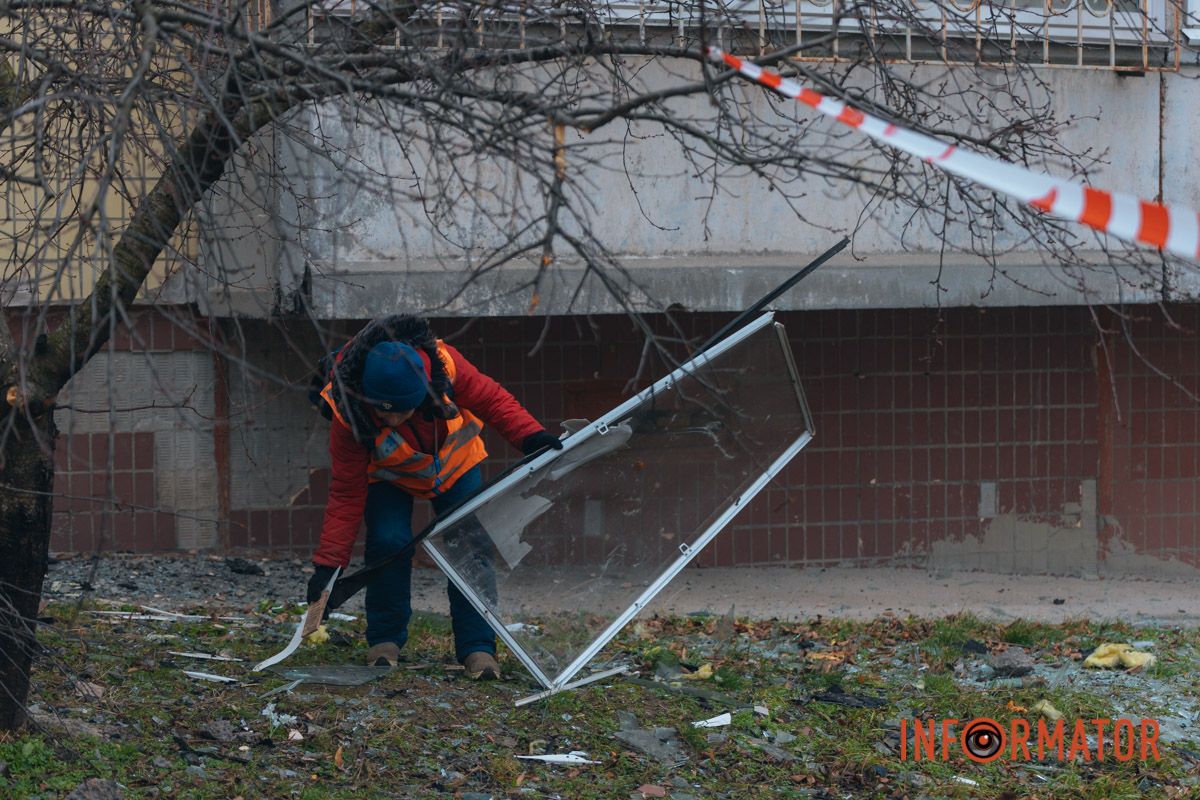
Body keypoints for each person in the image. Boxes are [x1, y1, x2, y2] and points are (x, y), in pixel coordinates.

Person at [307, 314, 562, 679]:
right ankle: (385, 641)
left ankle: (478, 648)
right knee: (387, 542)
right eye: (382, 412)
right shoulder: (347, 411)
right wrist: (328, 567)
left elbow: (492, 399)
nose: (391, 421)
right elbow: (346, 493)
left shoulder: (447, 365)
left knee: (470, 544)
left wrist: (531, 437)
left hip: (458, 466)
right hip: (389, 477)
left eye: (402, 412)